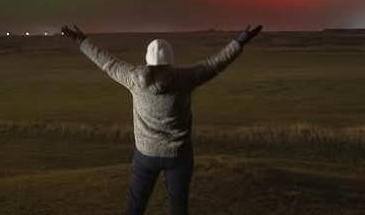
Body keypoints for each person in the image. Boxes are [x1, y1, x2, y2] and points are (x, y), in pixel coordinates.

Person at [60, 24, 263, 215]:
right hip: (179, 156)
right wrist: (240, 42)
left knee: (136, 205)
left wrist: (81, 40)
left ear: (148, 58)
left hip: (145, 156)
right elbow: (216, 63)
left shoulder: (134, 78)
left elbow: (106, 61)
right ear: (171, 59)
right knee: (179, 206)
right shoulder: (186, 78)